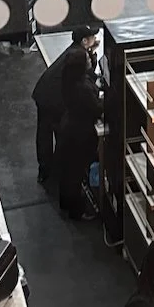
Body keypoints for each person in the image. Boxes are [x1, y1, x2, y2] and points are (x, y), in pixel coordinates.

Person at [32, 25, 100, 182]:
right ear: (84, 41)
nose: (95, 39)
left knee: (45, 133)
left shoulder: (75, 50)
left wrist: (90, 52)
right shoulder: (78, 55)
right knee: (50, 132)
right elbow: (88, 75)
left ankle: (47, 169)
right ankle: (51, 170)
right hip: (50, 98)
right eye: (92, 37)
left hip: (44, 93)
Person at [55, 46, 101, 219]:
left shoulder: (70, 80)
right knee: (75, 172)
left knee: (68, 172)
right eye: (88, 59)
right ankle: (77, 211)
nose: (90, 59)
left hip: (69, 130)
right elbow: (96, 108)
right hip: (79, 135)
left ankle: (67, 204)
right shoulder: (82, 88)